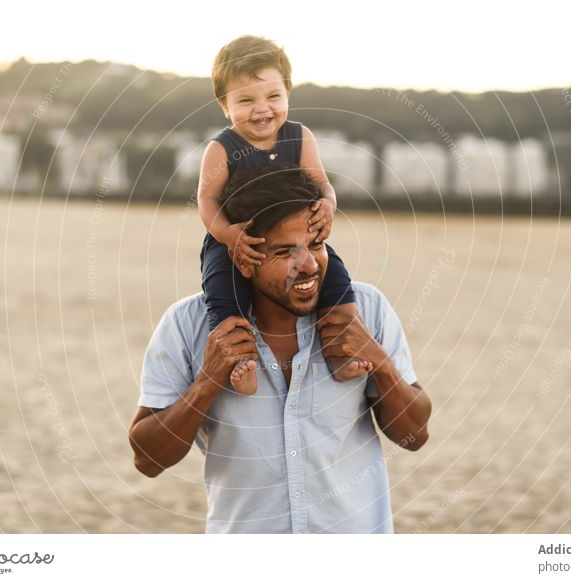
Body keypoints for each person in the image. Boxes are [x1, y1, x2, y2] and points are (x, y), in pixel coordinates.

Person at [130, 167, 431, 534]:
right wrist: (206, 383)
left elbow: (414, 436)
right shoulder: (186, 325)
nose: (308, 265)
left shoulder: (367, 310)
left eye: (316, 245)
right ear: (243, 257)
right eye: (285, 251)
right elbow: (147, 460)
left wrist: (380, 363)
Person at [198, 35, 367, 396]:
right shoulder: (222, 147)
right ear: (224, 105)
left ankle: (341, 354)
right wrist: (228, 236)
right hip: (237, 238)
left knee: (336, 279)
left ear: (288, 93)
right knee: (222, 292)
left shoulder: (299, 136)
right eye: (245, 100)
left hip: (298, 237)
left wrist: (328, 204)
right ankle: (240, 362)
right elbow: (207, 200)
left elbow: (322, 183)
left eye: (273, 97)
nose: (262, 109)